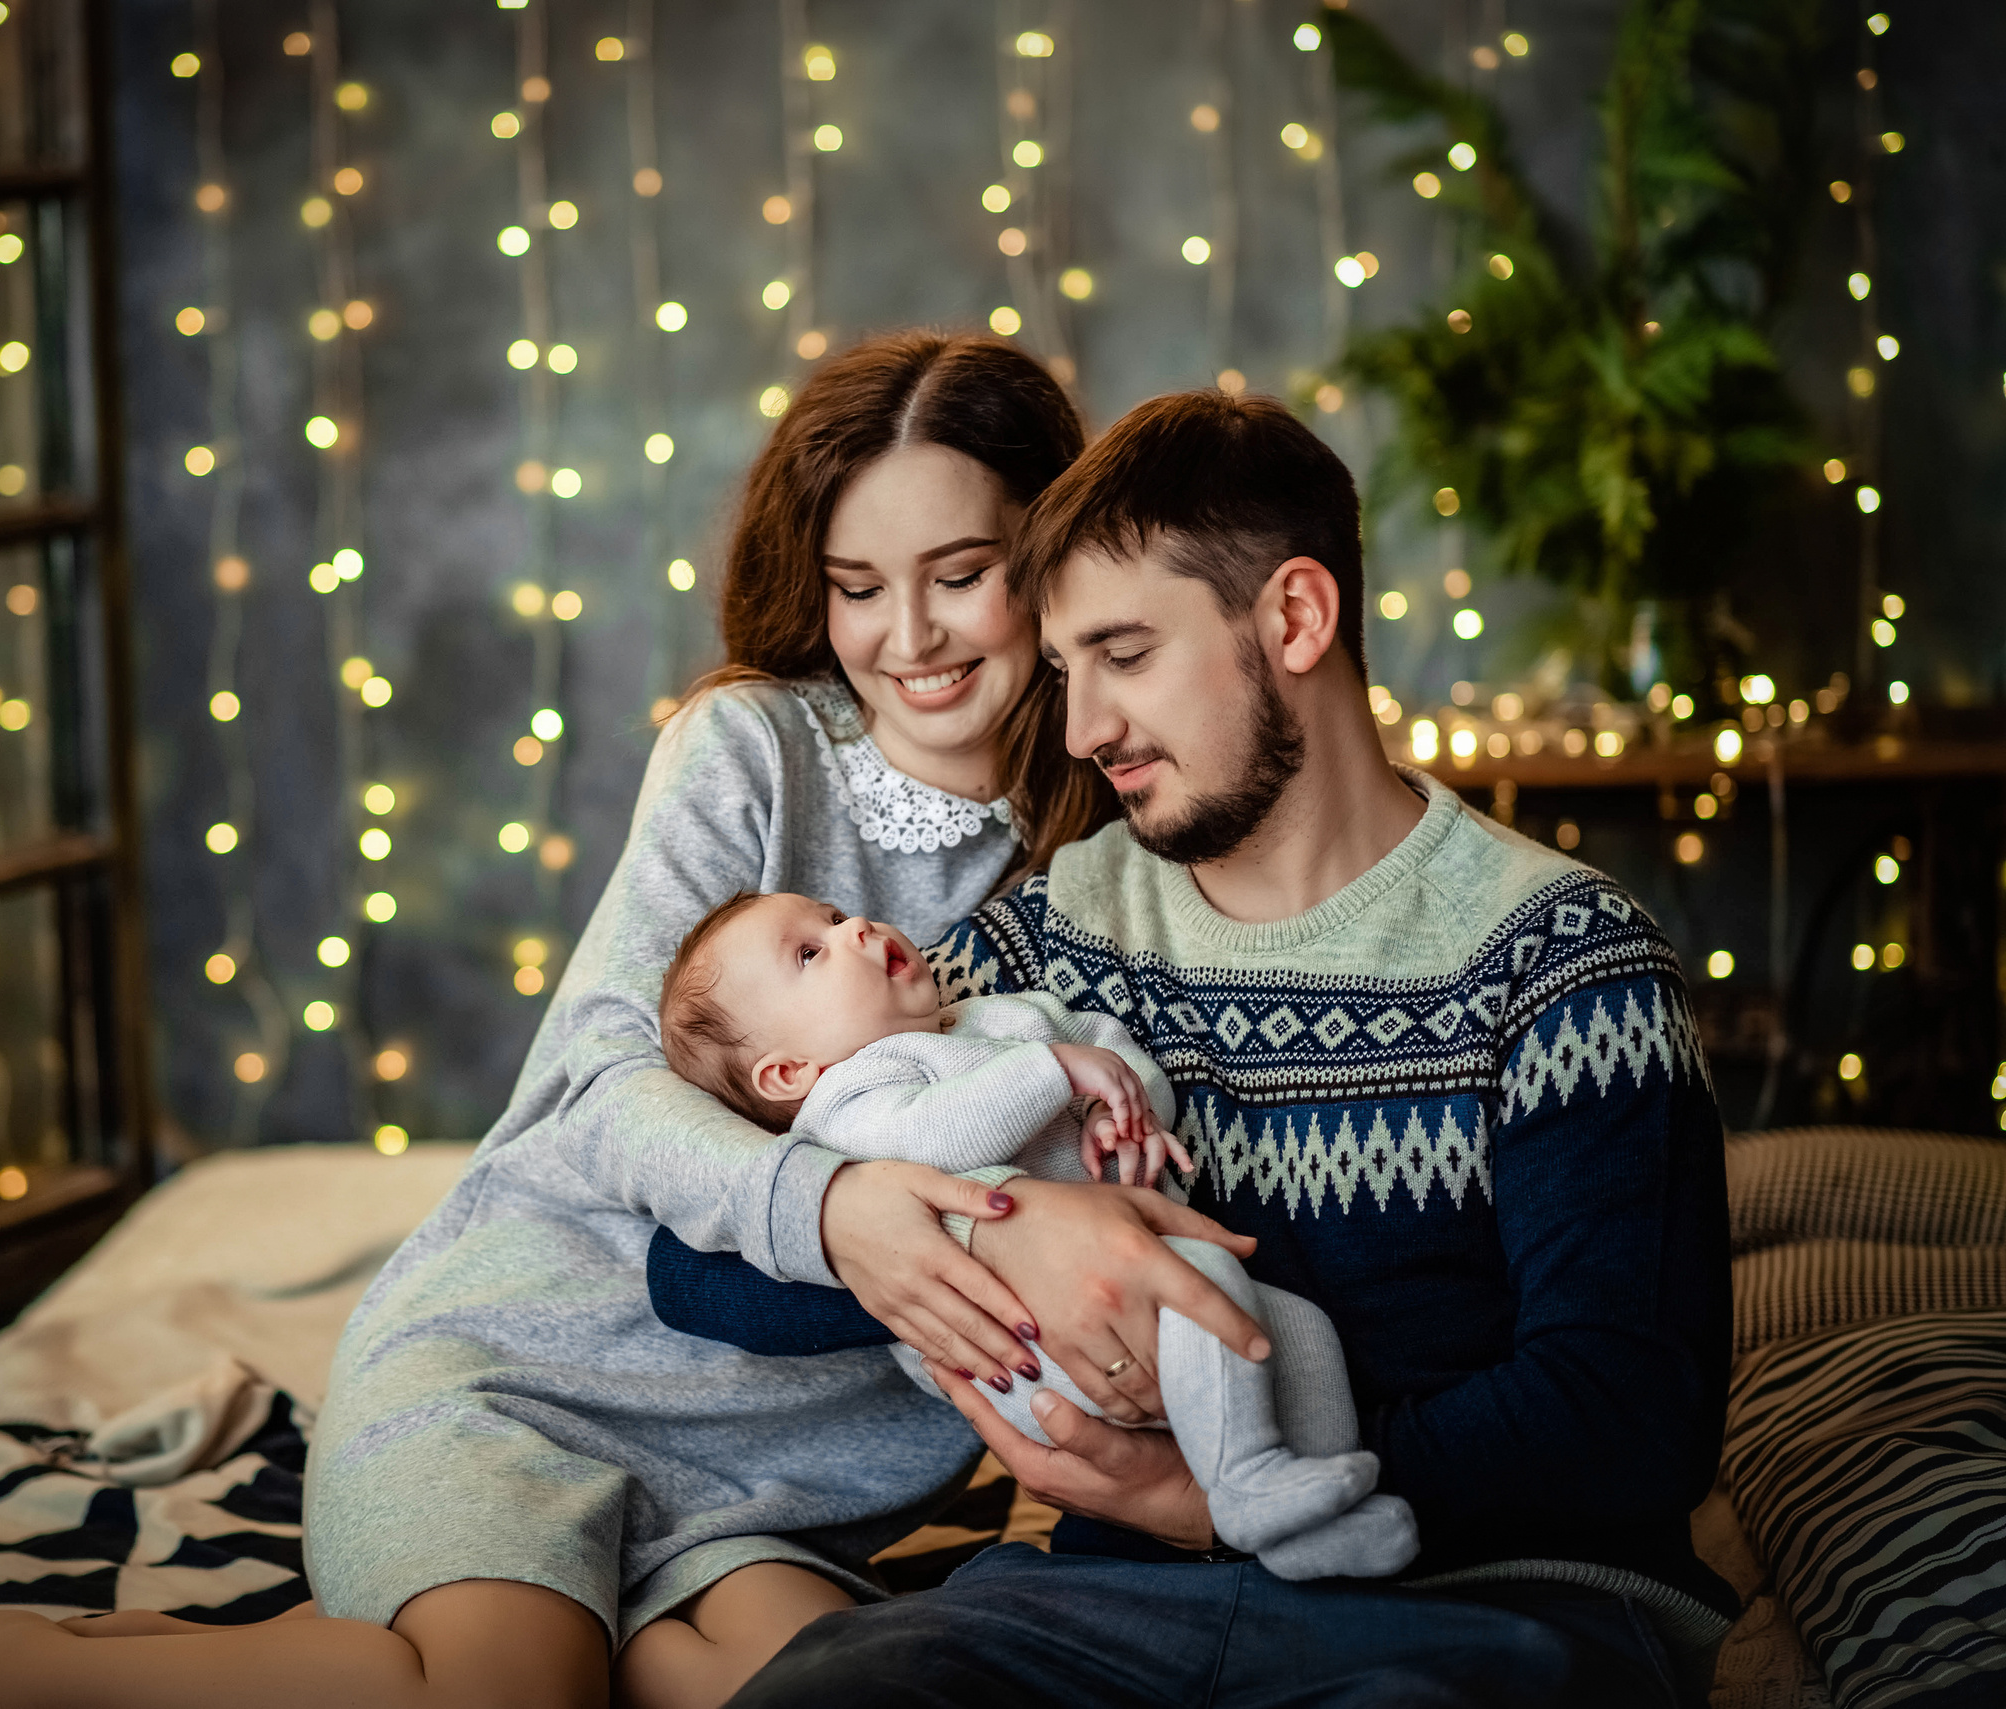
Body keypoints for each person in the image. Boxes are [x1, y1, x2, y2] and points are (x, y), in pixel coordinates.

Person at [0, 334, 1268, 1709]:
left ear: (1052, 555)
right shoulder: (750, 749)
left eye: (961, 572)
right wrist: (836, 1203)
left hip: (790, 1477)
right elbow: (602, 1085)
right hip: (522, 1373)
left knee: (838, 1692)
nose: (908, 635)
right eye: (859, 586)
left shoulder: (1113, 829)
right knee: (505, 1690)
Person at [653, 390, 1736, 1709]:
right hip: (1110, 1605)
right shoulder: (1057, 934)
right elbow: (693, 1266)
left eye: (1125, 654)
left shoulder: (1565, 960)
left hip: (1485, 1601)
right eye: (1066, 671)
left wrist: (1217, 1494)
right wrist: (992, 1233)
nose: (1081, 730)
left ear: (1295, 618)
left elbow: (1625, 1414)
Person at [658, 886, 1419, 1581]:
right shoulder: (846, 1102)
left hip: (1131, 1275)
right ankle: (1249, 1480)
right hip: (1021, 1351)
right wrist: (1056, 1071)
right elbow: (934, 1133)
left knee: (1300, 1328)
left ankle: (1318, 1513)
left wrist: (1120, 1110)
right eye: (809, 952)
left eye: (832, 916)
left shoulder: (1001, 1015)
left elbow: (1110, 1054)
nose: (853, 925)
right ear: (788, 1073)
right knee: (1202, 1287)